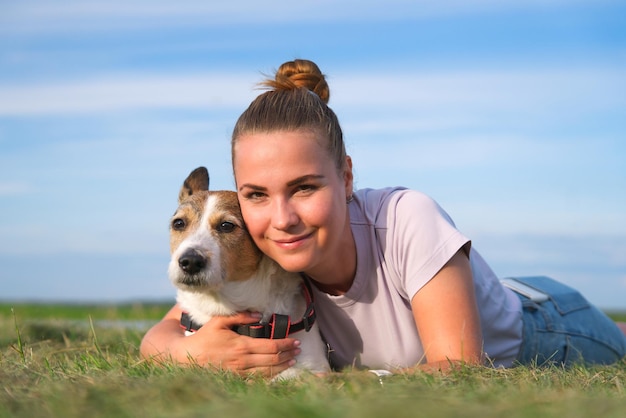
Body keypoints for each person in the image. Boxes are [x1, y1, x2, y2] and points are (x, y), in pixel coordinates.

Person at [141, 59, 626, 377]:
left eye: (305, 187)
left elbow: (461, 368)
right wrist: (188, 352)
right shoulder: (265, 252)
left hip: (550, 325)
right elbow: (164, 331)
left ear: (346, 177)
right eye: (256, 195)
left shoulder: (406, 219)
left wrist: (348, 389)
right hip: (485, 287)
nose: (283, 217)